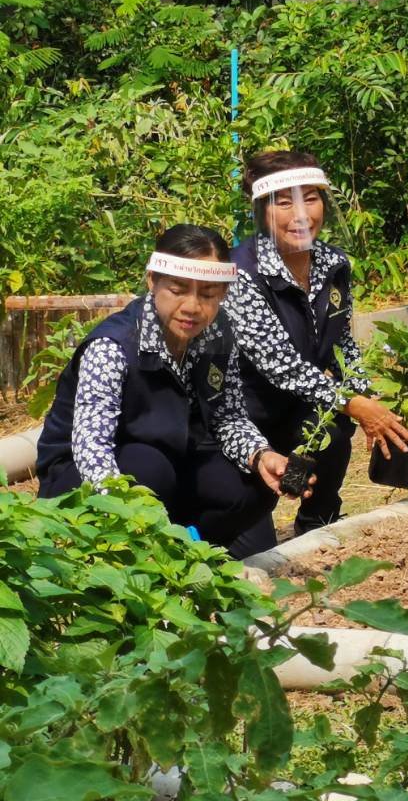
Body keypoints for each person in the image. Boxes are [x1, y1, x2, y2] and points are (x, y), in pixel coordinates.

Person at [36, 225, 298, 555]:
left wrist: (262, 455)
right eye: (178, 290)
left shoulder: (217, 336)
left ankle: (190, 553)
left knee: (250, 483)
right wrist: (133, 517)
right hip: (90, 478)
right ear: (152, 281)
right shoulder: (113, 346)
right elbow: (92, 448)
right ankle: (134, 555)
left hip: (170, 463)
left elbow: (227, 418)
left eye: (207, 294)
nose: (192, 306)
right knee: (147, 465)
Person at [224, 151, 408, 552]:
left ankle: (316, 523)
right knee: (249, 547)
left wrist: (367, 398)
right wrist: (355, 403)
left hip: (299, 408)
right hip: (244, 418)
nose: (301, 214)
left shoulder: (332, 264)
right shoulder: (242, 272)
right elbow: (279, 365)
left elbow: (341, 342)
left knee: (331, 431)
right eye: (284, 202)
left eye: (310, 198)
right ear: (261, 211)